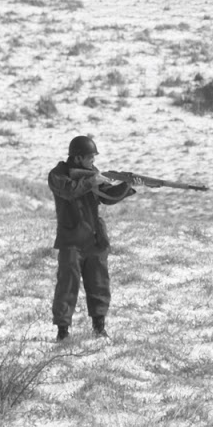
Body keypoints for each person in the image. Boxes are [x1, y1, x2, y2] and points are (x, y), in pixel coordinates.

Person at [48, 135, 138, 341]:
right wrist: (91, 180)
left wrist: (126, 184)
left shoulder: (92, 174)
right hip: (71, 239)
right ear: (78, 158)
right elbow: (69, 191)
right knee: (67, 286)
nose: (93, 161)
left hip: (94, 238)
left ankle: (99, 328)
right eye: (90, 157)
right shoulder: (58, 175)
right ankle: (62, 332)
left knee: (99, 284)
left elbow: (108, 197)